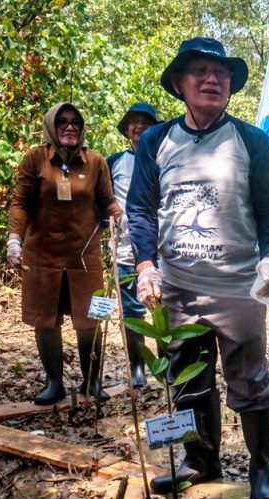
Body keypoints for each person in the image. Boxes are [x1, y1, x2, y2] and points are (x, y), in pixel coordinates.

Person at [126, 37, 269, 499]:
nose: (212, 80)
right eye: (200, 71)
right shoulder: (157, 140)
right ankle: (200, 461)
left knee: (251, 381)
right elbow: (140, 209)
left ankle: (261, 468)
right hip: (176, 286)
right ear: (179, 83)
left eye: (221, 74)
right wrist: (145, 264)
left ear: (231, 85)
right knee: (188, 377)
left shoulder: (251, 140)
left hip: (239, 285)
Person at [7, 103, 122, 405]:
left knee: (91, 320)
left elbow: (108, 201)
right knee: (46, 320)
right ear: (51, 127)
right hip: (43, 256)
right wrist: (14, 239)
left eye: (75, 122)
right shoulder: (35, 159)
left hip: (85, 257)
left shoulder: (95, 162)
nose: (69, 127)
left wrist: (122, 221)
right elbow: (20, 201)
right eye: (62, 123)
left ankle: (91, 381)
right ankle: (54, 382)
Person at [106, 102, 160, 388]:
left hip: (160, 250)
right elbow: (100, 199)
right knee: (131, 312)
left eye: (145, 122)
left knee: (162, 308)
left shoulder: (162, 157)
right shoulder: (114, 162)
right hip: (125, 250)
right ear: (126, 129)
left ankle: (167, 365)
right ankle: (137, 367)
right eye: (133, 122)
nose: (138, 126)